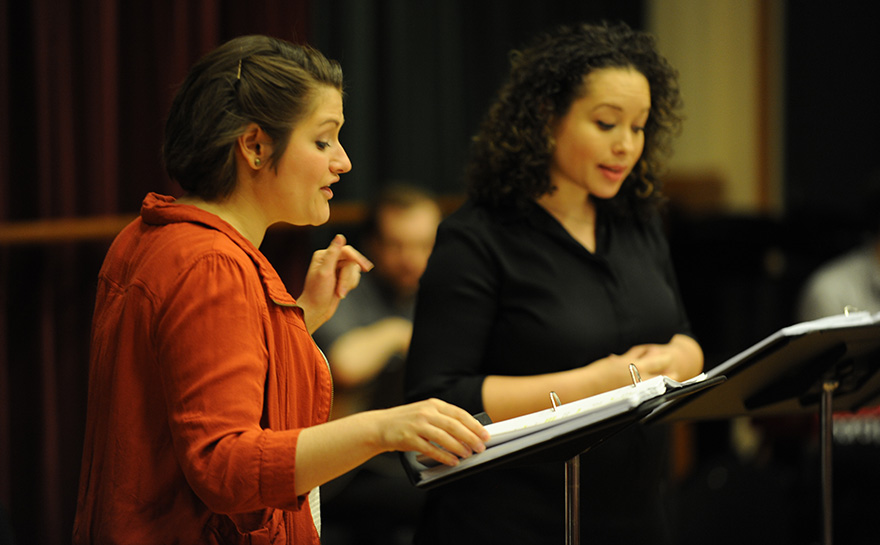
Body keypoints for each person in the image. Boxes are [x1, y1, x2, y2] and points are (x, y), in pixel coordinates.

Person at [72, 35, 488, 545]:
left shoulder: (154, 234)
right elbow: (225, 467)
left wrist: (299, 317)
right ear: (254, 145)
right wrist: (384, 429)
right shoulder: (211, 263)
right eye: (323, 140)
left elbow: (195, 378)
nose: (343, 162)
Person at [405, 22, 703, 545]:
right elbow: (439, 397)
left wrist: (679, 361)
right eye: (607, 124)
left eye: (639, 127)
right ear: (546, 117)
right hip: (509, 520)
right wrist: (596, 385)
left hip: (633, 514)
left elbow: (680, 334)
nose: (626, 147)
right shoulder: (477, 236)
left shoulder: (637, 220)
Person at [313, 185, 442, 545]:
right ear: (373, 243)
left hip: (403, 452)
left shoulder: (437, 289)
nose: (410, 258)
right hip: (343, 468)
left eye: (423, 246)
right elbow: (347, 364)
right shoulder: (351, 286)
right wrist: (398, 333)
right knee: (449, 500)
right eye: (397, 245)